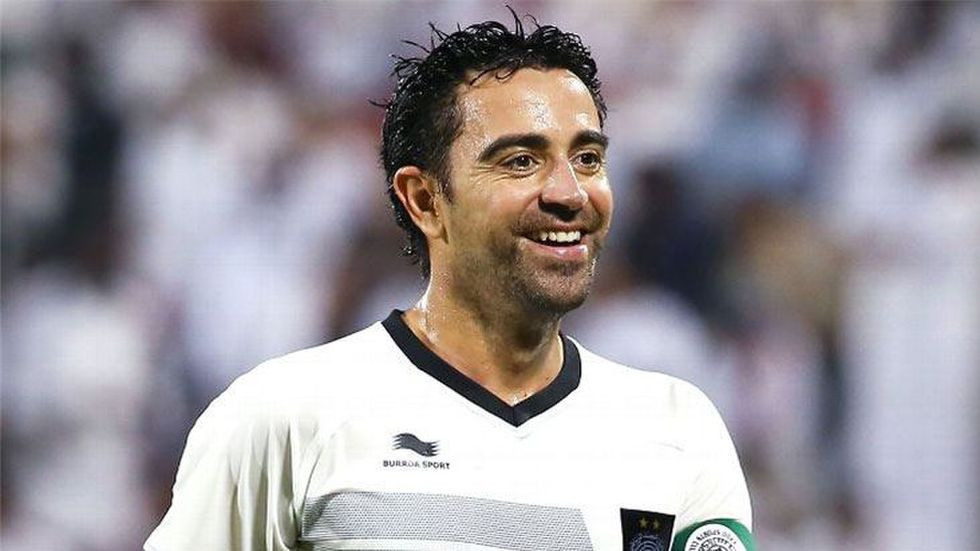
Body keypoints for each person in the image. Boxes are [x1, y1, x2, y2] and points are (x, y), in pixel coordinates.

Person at [145, 14, 754, 551]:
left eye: (587, 158)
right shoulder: (284, 420)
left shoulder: (676, 431)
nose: (570, 193)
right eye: (521, 161)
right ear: (425, 200)